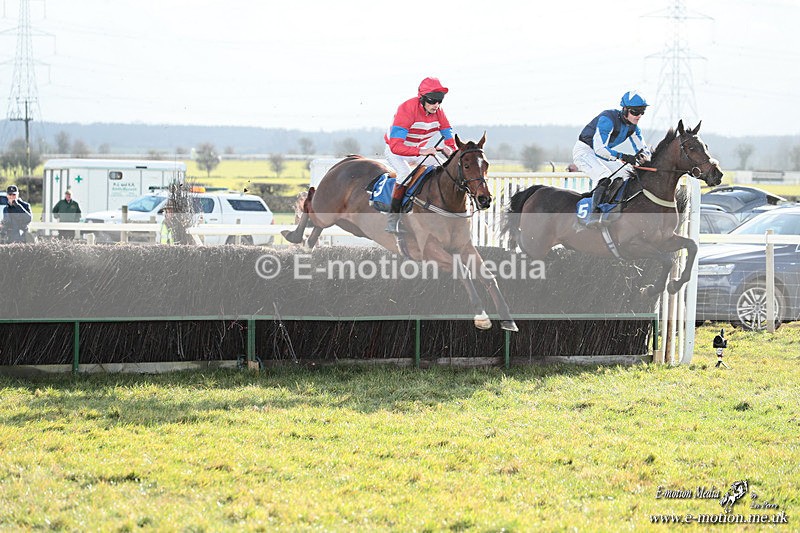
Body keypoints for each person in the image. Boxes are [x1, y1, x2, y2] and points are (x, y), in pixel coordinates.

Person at [383, 76, 458, 233]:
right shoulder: (407, 109)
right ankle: (393, 218)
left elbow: (447, 131)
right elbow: (396, 146)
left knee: (441, 169)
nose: (436, 105)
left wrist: (451, 149)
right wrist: (422, 151)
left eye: (440, 101)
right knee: (405, 173)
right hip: (396, 150)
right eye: (432, 101)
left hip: (418, 149)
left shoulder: (438, 111)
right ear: (422, 99)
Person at [573, 90, 652, 227]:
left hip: (602, 154)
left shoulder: (633, 128)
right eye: (635, 112)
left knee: (626, 173)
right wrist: (623, 156)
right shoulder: (608, 119)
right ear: (625, 109)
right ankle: (593, 215)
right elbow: (599, 149)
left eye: (642, 112)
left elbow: (643, 150)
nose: (639, 116)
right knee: (604, 176)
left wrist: (650, 162)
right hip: (585, 151)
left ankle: (616, 208)